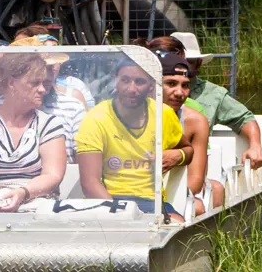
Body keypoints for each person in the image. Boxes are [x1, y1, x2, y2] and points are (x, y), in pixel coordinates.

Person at [75, 58, 189, 222]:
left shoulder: (163, 113)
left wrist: (178, 155)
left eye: (140, 82)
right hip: (107, 200)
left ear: (151, 85)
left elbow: (188, 150)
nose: (132, 89)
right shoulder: (96, 117)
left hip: (152, 201)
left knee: (177, 226)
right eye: (125, 80)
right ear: (115, 80)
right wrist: (120, 214)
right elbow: (90, 183)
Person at [0, 53, 68, 213]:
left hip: (36, 203)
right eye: (34, 83)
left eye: (43, 83)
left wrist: (22, 193)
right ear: (11, 83)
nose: (42, 89)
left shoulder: (49, 125)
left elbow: (52, 176)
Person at [150, 34, 262, 170]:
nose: (180, 66)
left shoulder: (211, 96)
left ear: (198, 63)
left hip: (196, 166)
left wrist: (256, 145)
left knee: (215, 188)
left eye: (189, 61)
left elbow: (243, 117)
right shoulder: (137, 99)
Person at [8, 35, 89, 157]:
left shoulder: (73, 107)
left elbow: (84, 157)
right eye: (45, 67)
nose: (49, 73)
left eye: (51, 67)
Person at [160, 55, 220, 216]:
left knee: (198, 206)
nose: (180, 93)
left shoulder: (196, 120)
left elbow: (195, 180)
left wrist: (179, 155)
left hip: (174, 193)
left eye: (185, 86)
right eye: (171, 84)